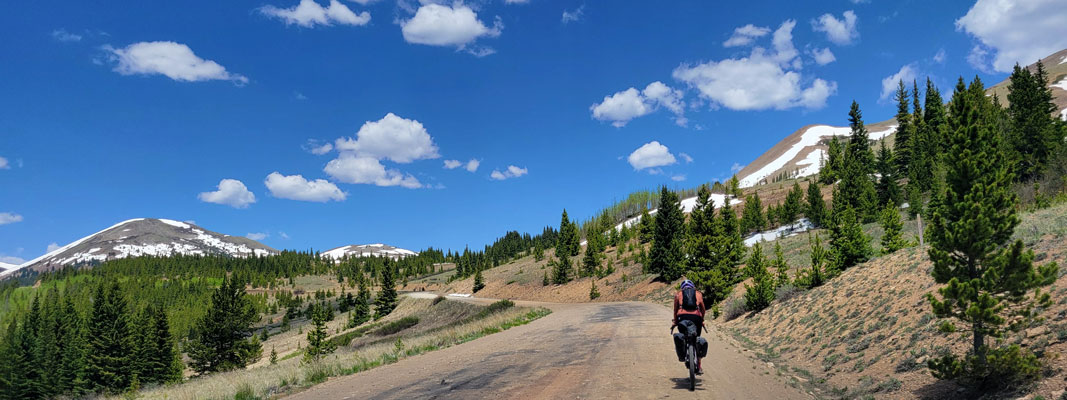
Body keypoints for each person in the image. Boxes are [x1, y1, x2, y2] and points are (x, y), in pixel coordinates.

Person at [672, 278, 708, 374]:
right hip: (696, 318)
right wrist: (702, 319)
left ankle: (684, 354)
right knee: (697, 338)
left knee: (683, 336)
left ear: (682, 288)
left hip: (682, 317)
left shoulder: (678, 294)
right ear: (693, 287)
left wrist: (675, 321)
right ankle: (699, 366)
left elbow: (675, 310)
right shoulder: (698, 294)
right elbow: (703, 308)